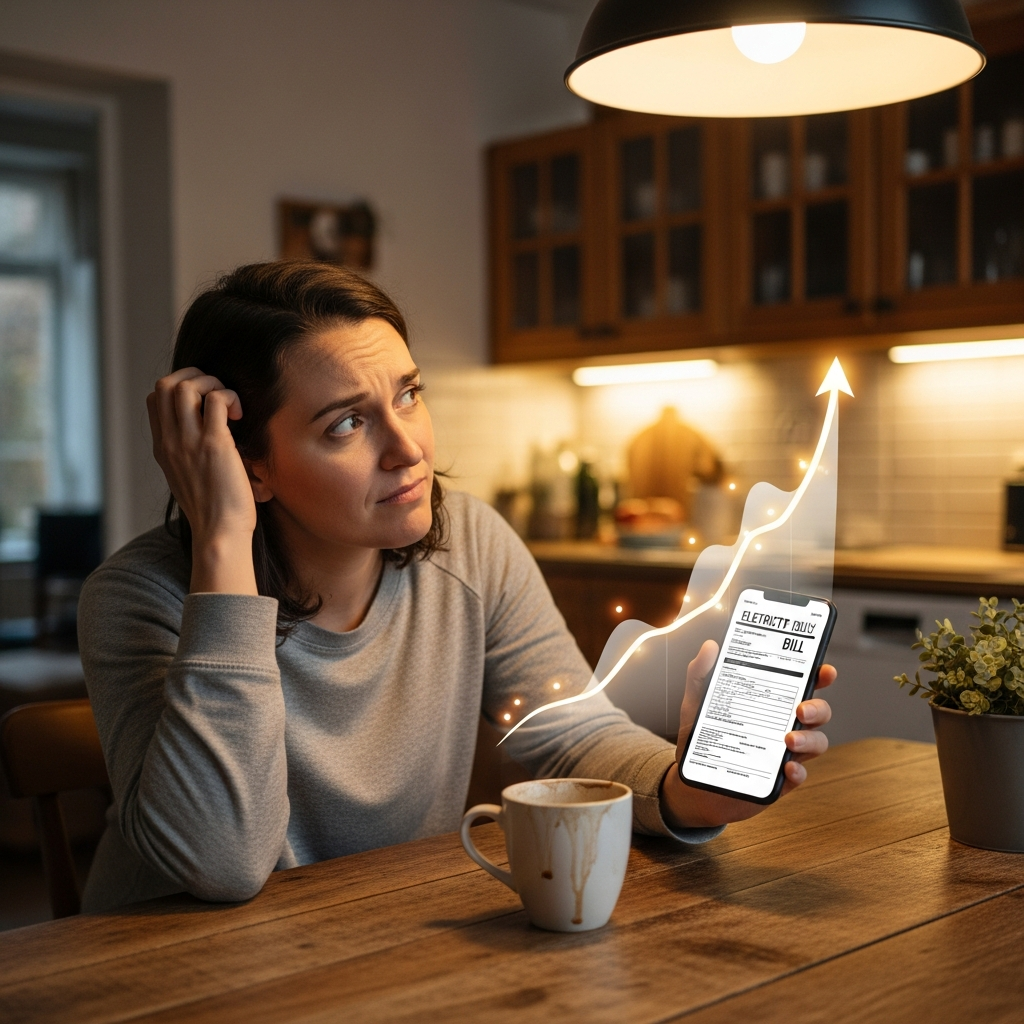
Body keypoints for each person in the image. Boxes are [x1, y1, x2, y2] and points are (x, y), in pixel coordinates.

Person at [78, 261, 836, 912]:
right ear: (249, 465)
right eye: (346, 424)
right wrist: (222, 542)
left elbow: (567, 734)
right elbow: (222, 863)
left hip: (376, 948)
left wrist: (681, 791)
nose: (408, 448)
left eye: (408, 394)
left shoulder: (471, 544)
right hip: (175, 979)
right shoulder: (136, 597)